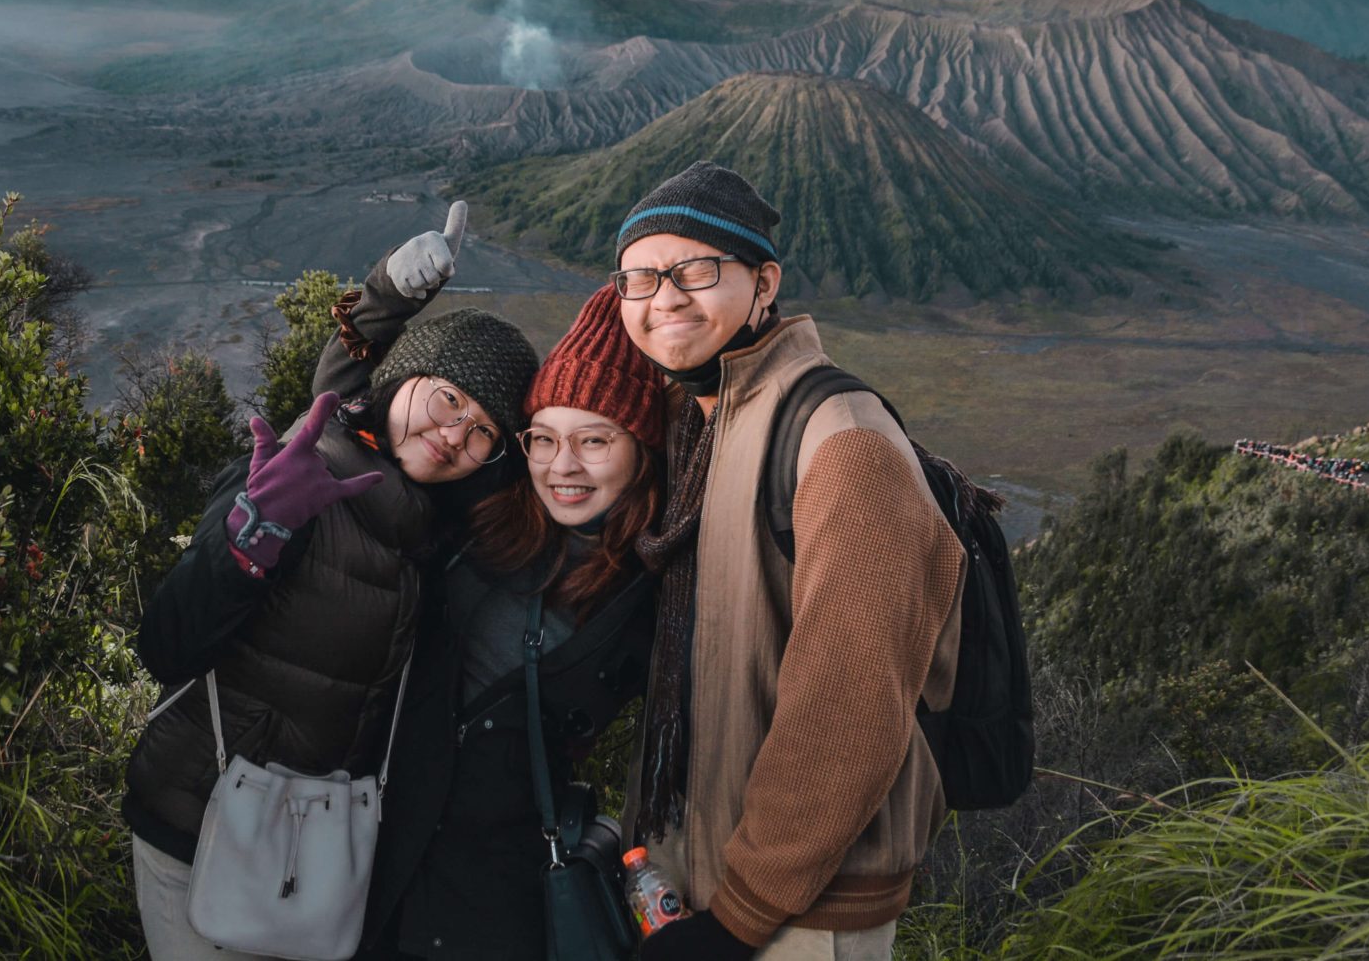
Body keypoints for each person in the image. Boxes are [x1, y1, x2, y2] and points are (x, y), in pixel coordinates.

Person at [123, 207, 539, 961]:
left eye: (480, 429)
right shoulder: (298, 470)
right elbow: (165, 645)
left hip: (311, 851)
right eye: (448, 398)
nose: (454, 434)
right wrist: (246, 540)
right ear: (405, 378)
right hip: (198, 826)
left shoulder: (434, 529)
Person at [611, 161, 966, 961]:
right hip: (705, 874)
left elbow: (848, 705)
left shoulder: (841, 441)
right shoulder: (708, 421)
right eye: (638, 277)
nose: (663, 296)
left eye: (694, 270)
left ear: (764, 282)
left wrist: (739, 916)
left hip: (802, 913)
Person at [363, 285, 667, 959]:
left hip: (496, 885)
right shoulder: (479, 505)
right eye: (545, 438)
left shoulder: (648, 591)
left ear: (642, 451)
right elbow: (377, 420)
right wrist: (379, 302)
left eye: (594, 439)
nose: (563, 466)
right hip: (375, 848)